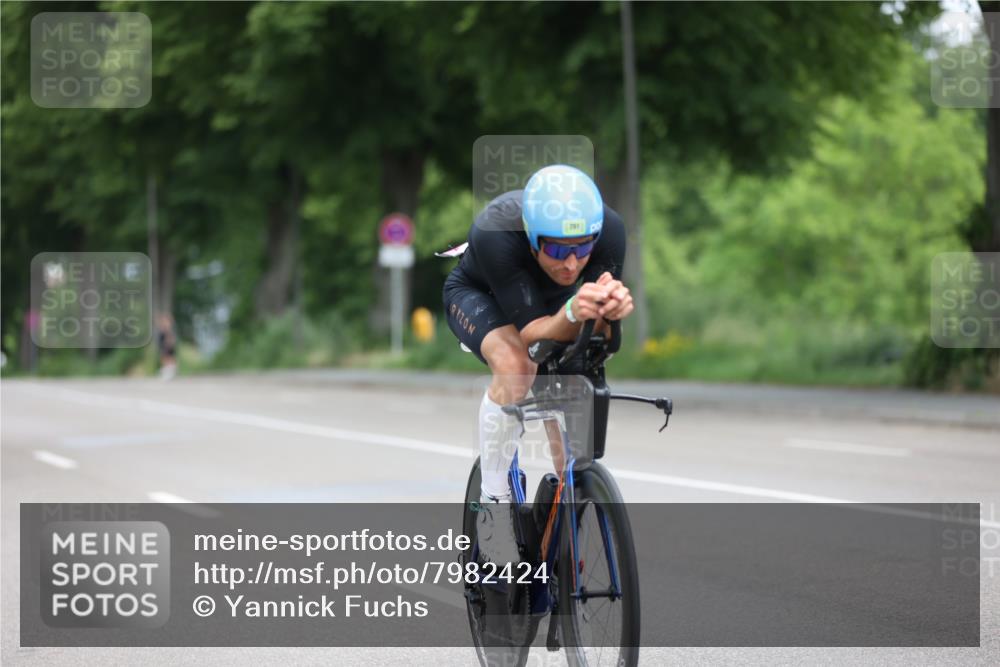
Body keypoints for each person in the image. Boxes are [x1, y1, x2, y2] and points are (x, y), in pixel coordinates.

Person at [442, 164, 634, 565]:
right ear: (532, 239)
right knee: (518, 368)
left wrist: (611, 312)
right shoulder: (496, 233)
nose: (571, 263)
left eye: (582, 248)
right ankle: (492, 505)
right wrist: (575, 310)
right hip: (486, 296)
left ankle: (563, 544)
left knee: (572, 427)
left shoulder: (611, 231)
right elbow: (532, 336)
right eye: (559, 249)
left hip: (553, 307)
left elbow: (594, 330)